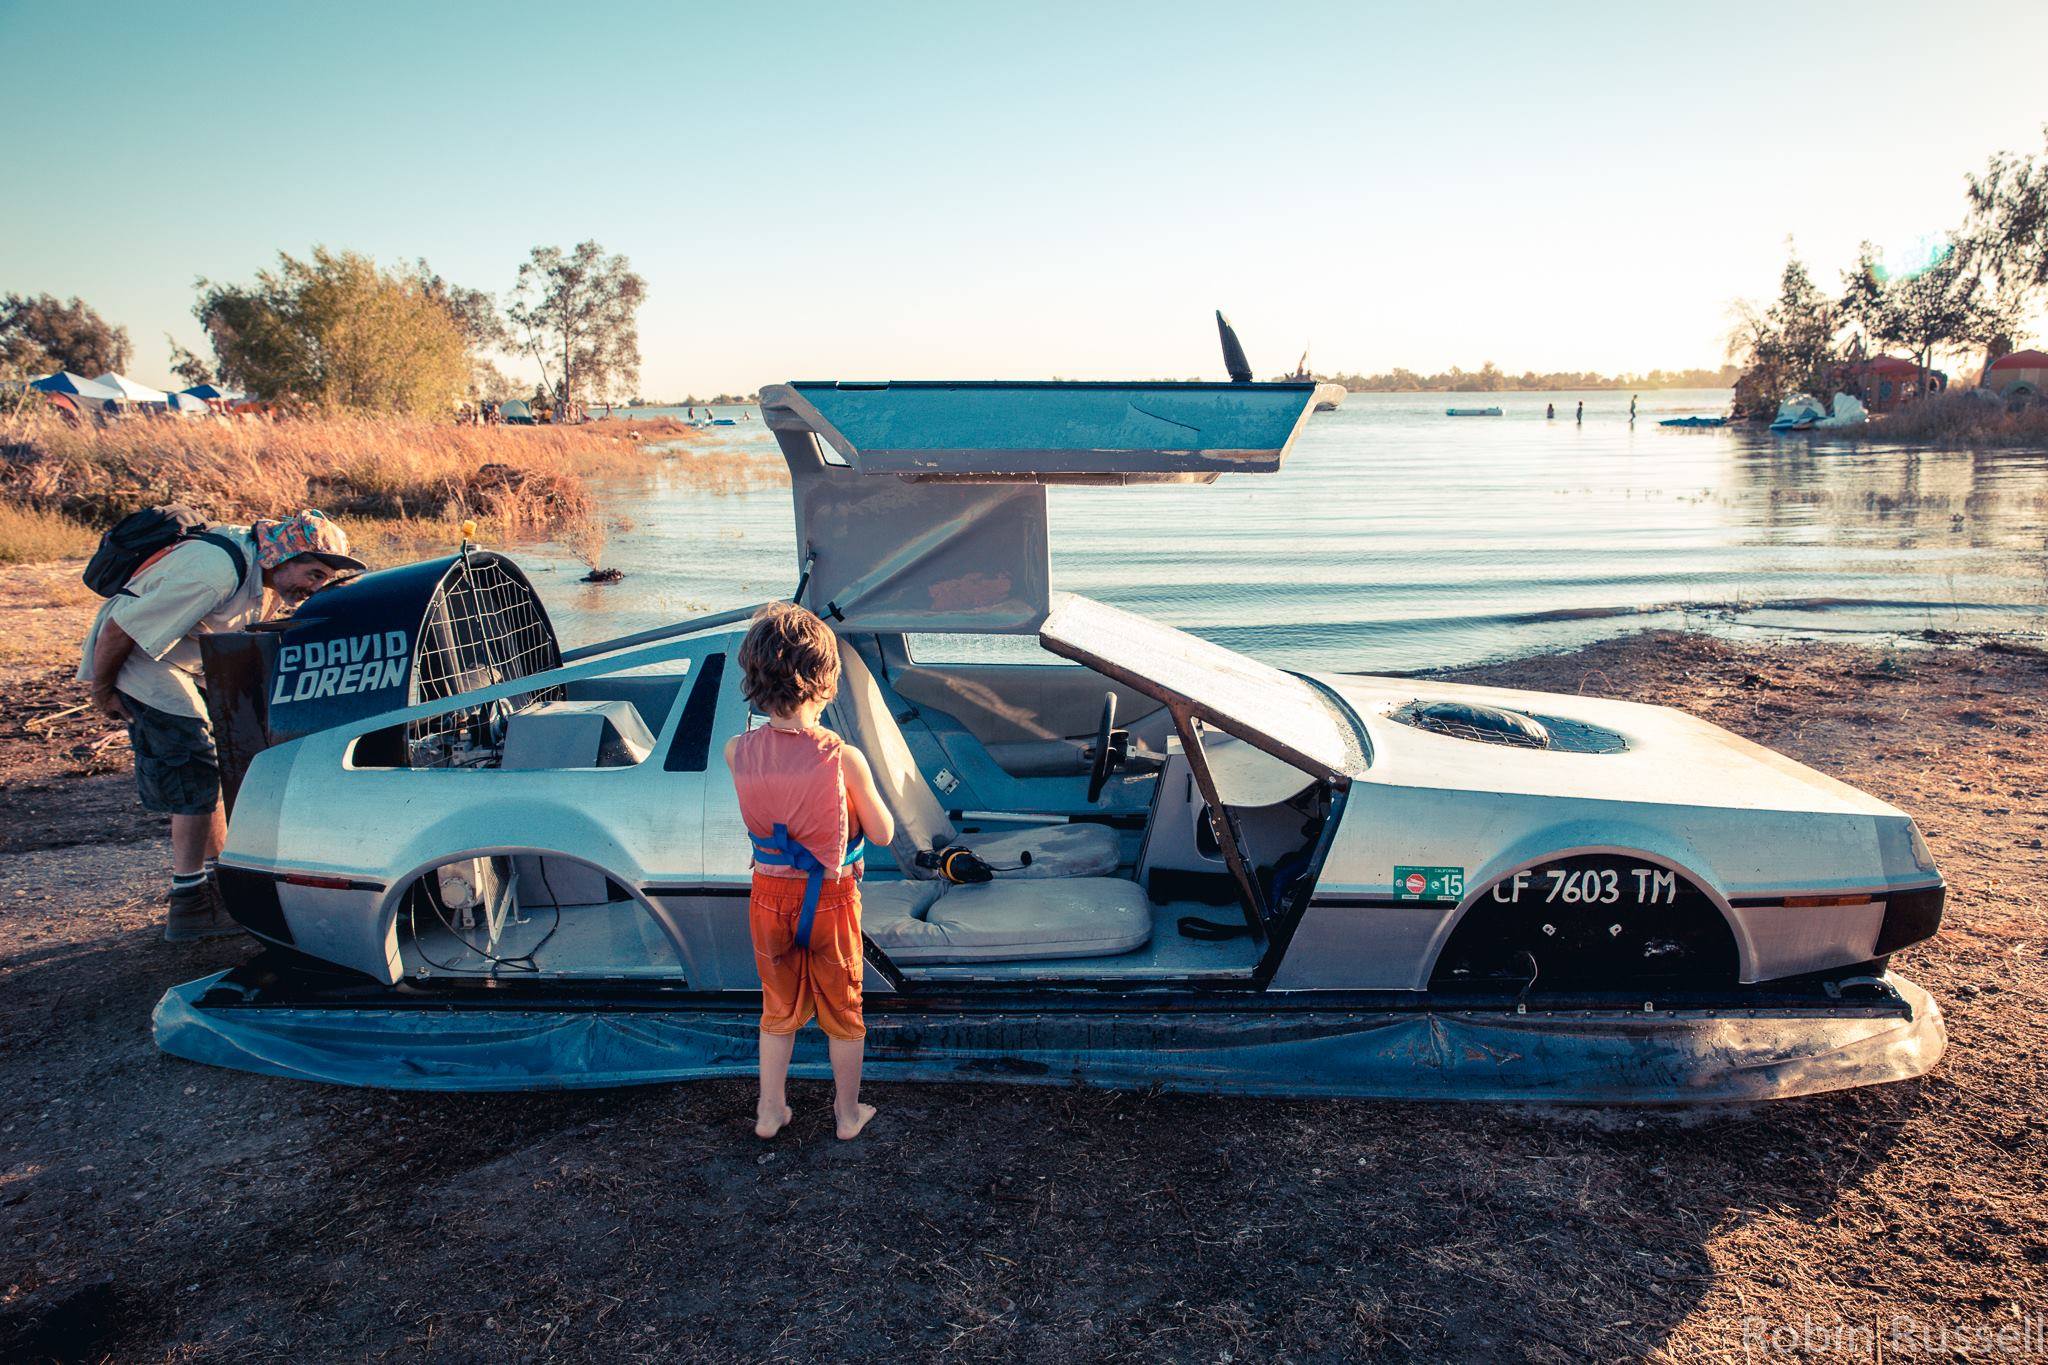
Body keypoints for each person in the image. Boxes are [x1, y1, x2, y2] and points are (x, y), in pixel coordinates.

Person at [79, 510, 365, 940]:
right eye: (314, 574)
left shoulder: (264, 575)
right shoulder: (214, 572)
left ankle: (223, 883)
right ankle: (189, 902)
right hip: (139, 662)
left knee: (222, 763)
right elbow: (121, 629)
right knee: (193, 769)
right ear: (284, 556)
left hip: (181, 662)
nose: (314, 587)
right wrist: (102, 691)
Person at [724, 603, 894, 1142]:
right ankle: (847, 1113)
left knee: (777, 1009)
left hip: (768, 898)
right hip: (830, 901)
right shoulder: (842, 758)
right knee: (843, 1011)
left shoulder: (736, 751)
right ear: (827, 684)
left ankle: (770, 1111)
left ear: (754, 682)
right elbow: (883, 833)